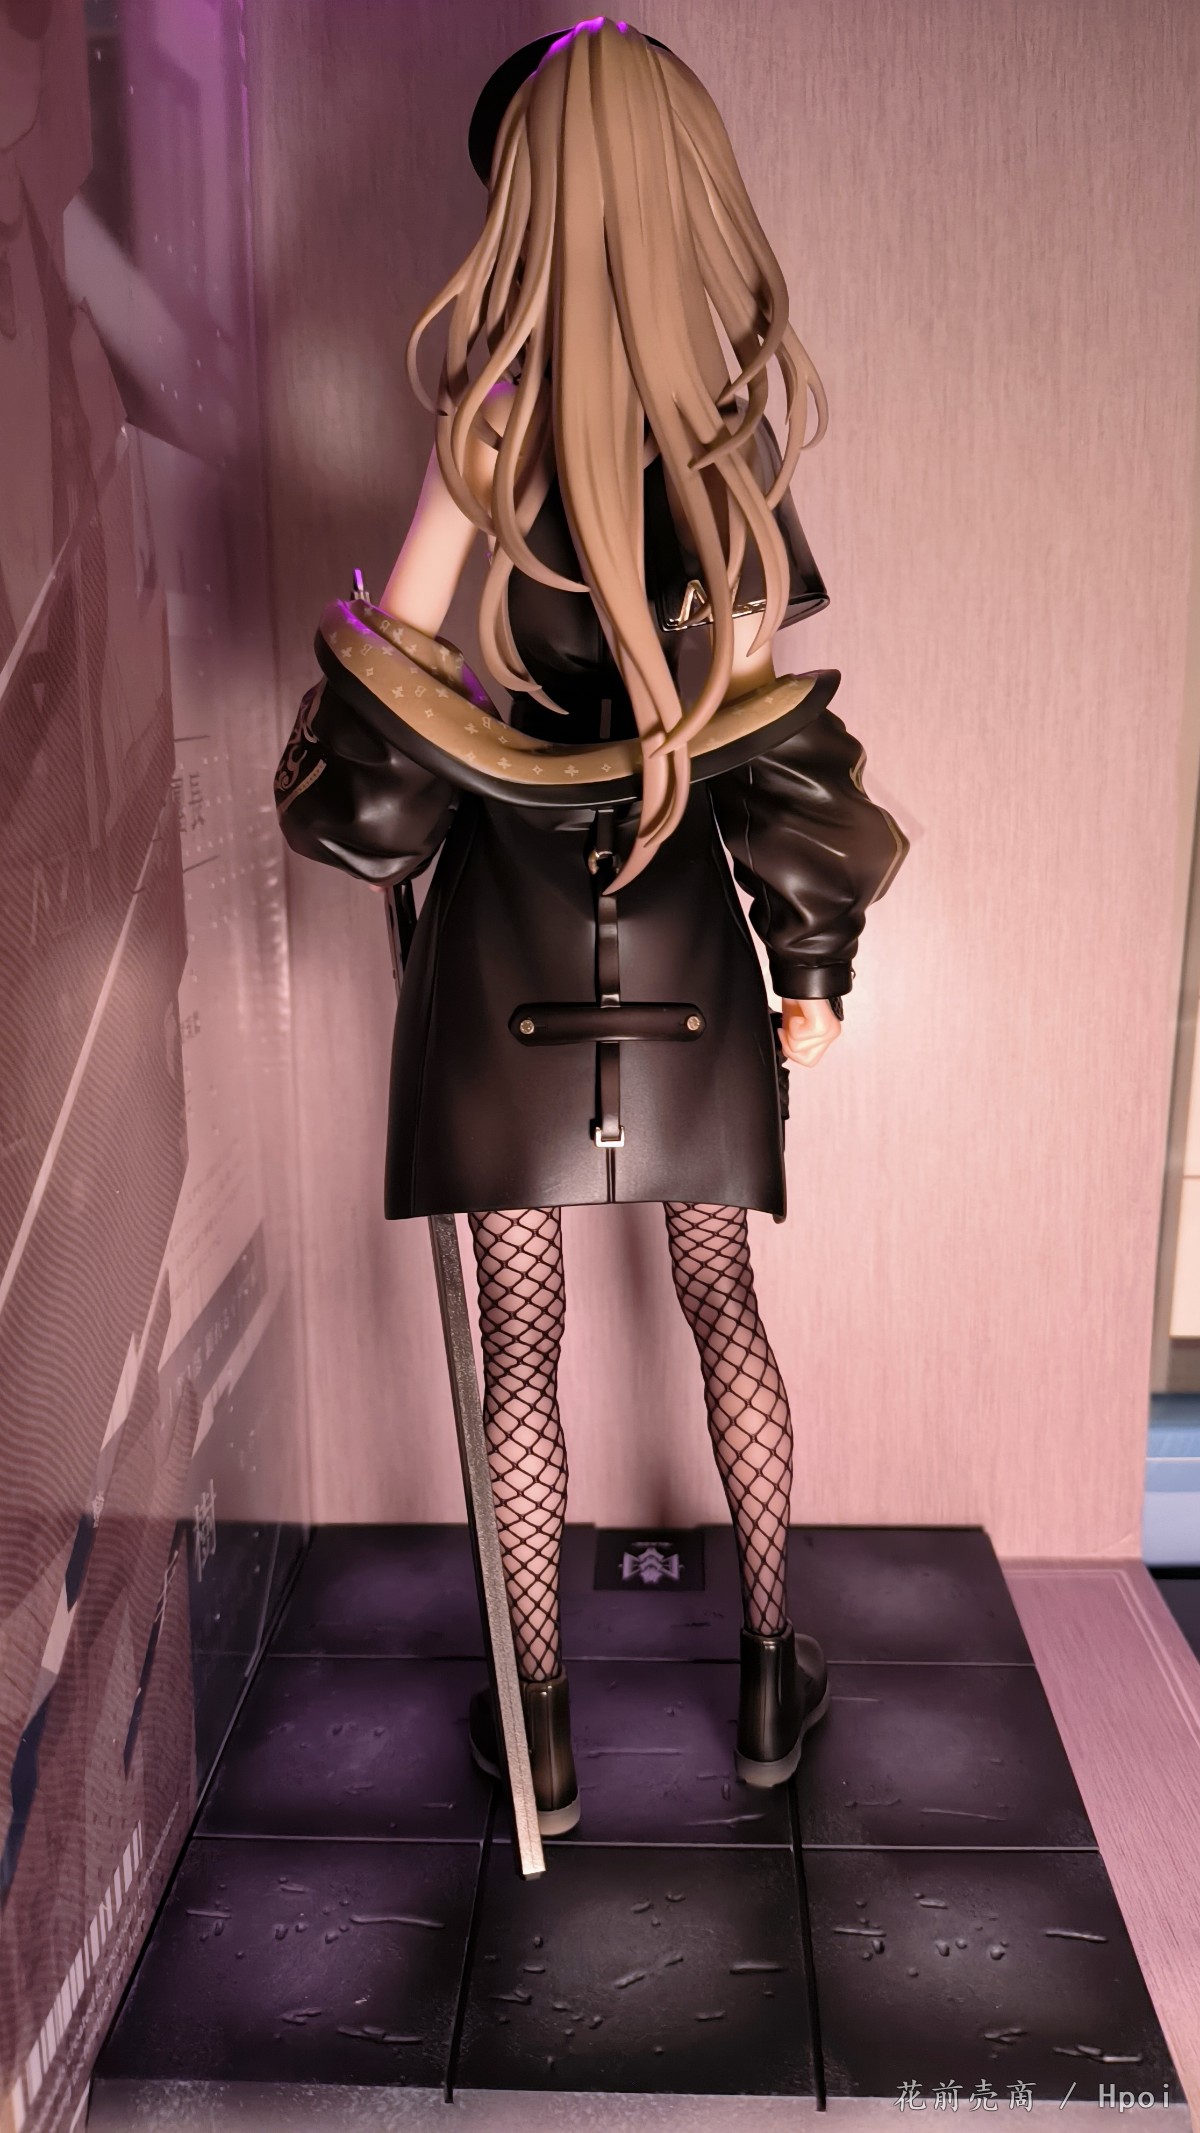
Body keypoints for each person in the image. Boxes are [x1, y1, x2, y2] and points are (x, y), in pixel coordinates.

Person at [276, 18, 907, 1836]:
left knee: (521, 1338)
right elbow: (768, 735)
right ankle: (770, 1676)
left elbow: (388, 702)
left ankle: (537, 1720)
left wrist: (379, 747)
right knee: (726, 1304)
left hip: (507, 936)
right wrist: (812, 964)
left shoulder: (490, 428)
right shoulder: (726, 446)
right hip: (687, 923)